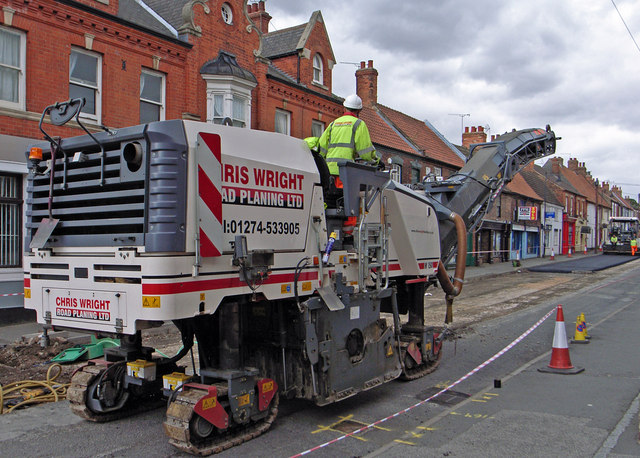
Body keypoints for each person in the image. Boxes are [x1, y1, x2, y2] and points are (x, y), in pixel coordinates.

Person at [318, 94, 380, 181]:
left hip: (329, 171)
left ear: (344, 108)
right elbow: (365, 152)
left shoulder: (333, 124)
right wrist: (376, 161)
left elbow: (321, 149)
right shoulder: (358, 124)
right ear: (359, 110)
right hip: (345, 171)